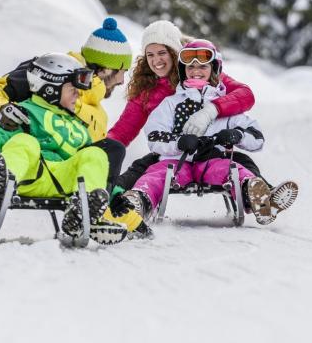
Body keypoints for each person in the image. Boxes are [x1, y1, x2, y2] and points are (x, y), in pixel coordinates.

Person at [0, 53, 140, 244]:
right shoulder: (27, 111)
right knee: (24, 142)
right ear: (50, 89)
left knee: (95, 153)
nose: (77, 94)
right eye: (72, 89)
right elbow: (6, 138)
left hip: (65, 180)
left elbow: (92, 166)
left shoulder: (78, 126)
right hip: (32, 174)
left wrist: (113, 194)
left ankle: (84, 211)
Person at [122, 39, 299, 225]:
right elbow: (154, 135)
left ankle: (258, 199)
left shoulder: (221, 104)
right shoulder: (171, 103)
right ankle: (138, 201)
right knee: (158, 174)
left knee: (233, 170)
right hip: (177, 160)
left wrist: (237, 135)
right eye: (190, 67)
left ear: (214, 69)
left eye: (202, 67)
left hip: (212, 160)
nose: (195, 71)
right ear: (183, 71)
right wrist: (178, 142)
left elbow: (256, 136)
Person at [107, 20, 260, 195]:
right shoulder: (147, 90)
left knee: (242, 163)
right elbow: (122, 132)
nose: (156, 60)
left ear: (174, 53)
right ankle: (114, 197)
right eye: (150, 54)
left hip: (210, 149)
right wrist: (103, 149)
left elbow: (245, 95)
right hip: (172, 151)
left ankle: (259, 195)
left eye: (162, 53)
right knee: (140, 169)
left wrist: (211, 110)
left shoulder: (199, 72)